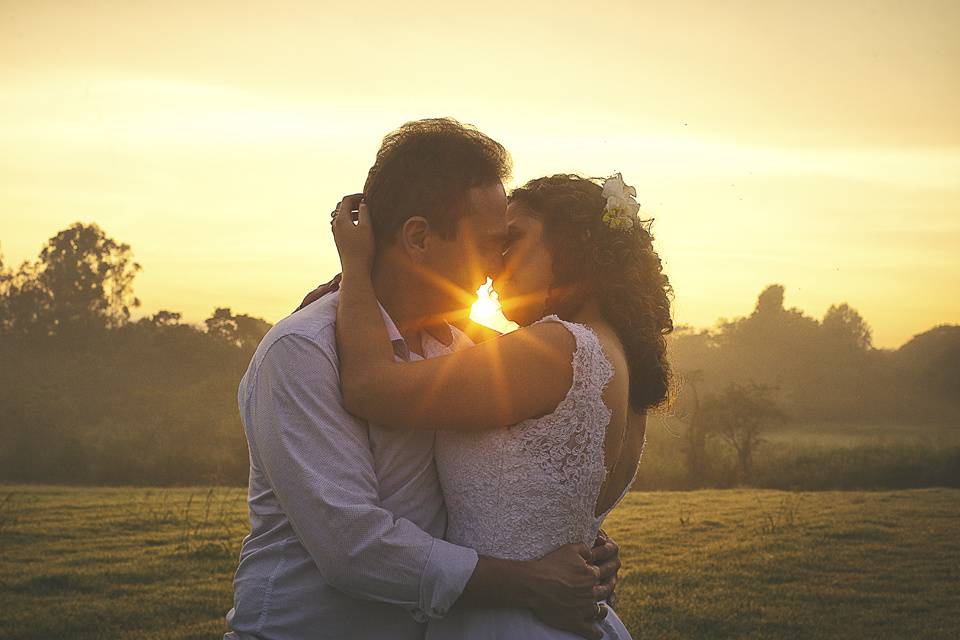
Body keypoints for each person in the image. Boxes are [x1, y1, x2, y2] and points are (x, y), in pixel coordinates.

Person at [225, 119, 620, 640]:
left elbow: (495, 480)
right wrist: (526, 580)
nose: (494, 268)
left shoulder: (458, 350)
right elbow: (352, 548)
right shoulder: (303, 351)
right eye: (488, 244)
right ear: (418, 238)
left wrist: (573, 547)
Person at [330, 171, 674, 639]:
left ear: (574, 247)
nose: (494, 264)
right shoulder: (617, 359)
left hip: (502, 622)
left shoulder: (559, 348)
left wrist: (357, 269)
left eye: (512, 240)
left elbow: (369, 386)